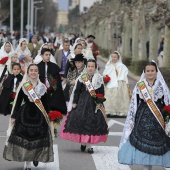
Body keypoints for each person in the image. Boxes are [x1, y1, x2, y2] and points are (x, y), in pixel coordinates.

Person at [118, 61, 170, 170]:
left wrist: (167, 119)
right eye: (148, 71)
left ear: (156, 72)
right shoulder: (140, 85)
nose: (150, 73)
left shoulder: (161, 85)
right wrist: (132, 120)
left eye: (152, 71)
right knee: (144, 146)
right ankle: (146, 168)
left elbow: (167, 103)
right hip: (143, 117)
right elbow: (134, 103)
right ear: (144, 72)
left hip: (158, 119)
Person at [3, 64, 54, 170]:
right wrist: (13, 116)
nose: (33, 72)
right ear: (28, 72)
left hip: (39, 116)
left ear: (38, 72)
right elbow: (17, 103)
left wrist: (50, 115)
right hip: (25, 115)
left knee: (38, 139)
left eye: (35, 70)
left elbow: (46, 104)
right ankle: (28, 163)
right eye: (31, 70)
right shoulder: (24, 86)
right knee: (26, 139)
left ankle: (35, 157)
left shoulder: (43, 87)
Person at [60, 59, 108, 154]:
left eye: (92, 66)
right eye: (89, 66)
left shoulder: (99, 78)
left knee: (92, 124)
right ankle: (83, 143)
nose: (90, 68)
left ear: (95, 67)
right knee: (82, 123)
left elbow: (102, 93)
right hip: (82, 102)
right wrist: (74, 102)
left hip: (94, 103)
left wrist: (100, 102)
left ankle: (90, 146)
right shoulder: (82, 77)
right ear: (86, 67)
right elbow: (77, 91)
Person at [37, 48, 67, 115]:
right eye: (46, 55)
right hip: (41, 90)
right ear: (42, 56)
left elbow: (57, 82)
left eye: (49, 55)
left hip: (52, 90)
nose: (48, 56)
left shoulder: (54, 66)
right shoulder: (38, 66)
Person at [103, 51, 130, 116]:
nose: (113, 58)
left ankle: (120, 111)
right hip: (110, 82)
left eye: (115, 57)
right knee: (110, 96)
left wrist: (126, 82)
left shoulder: (122, 66)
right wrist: (105, 79)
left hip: (119, 83)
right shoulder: (108, 65)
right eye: (112, 57)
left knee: (120, 97)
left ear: (118, 58)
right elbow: (105, 73)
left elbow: (124, 75)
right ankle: (110, 110)